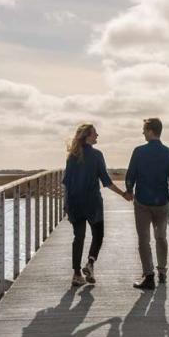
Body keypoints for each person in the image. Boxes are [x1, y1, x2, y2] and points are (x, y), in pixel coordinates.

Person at [62, 123, 127, 288]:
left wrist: (66, 204)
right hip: (92, 203)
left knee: (79, 237)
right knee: (98, 234)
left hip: (75, 202)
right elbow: (106, 181)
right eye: (95, 134)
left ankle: (76, 274)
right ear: (87, 136)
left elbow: (67, 183)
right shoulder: (97, 155)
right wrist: (123, 194)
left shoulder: (72, 156)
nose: (97, 136)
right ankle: (90, 263)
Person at [122, 117, 169, 290]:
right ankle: (162, 272)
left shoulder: (139, 151)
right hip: (161, 202)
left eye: (144, 130)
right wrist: (168, 197)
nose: (142, 133)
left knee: (144, 239)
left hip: (142, 202)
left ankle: (149, 275)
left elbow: (130, 175)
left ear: (150, 131)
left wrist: (130, 190)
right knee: (161, 237)